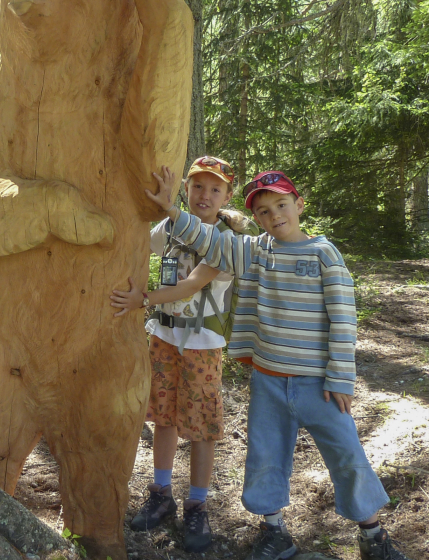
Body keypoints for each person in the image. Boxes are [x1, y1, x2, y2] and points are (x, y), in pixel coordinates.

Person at [143, 168, 412, 560]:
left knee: (346, 454)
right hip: (268, 380)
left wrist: (341, 378)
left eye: (281, 205)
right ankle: (274, 532)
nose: (274, 216)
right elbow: (207, 238)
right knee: (265, 457)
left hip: (317, 383)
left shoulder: (324, 254)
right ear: (257, 217)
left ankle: (373, 535)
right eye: (264, 211)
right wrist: (170, 207)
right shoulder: (255, 249)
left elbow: (343, 319)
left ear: (298, 205)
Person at [110, 156, 254, 553]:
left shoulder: (227, 239)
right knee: (165, 416)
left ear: (227, 195)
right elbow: (138, 242)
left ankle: (197, 503)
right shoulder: (172, 228)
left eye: (215, 188)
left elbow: (192, 285)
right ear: (186, 190)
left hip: (202, 345)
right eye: (197, 187)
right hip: (165, 338)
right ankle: (160, 492)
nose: (204, 195)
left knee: (201, 424)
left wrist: (143, 299)